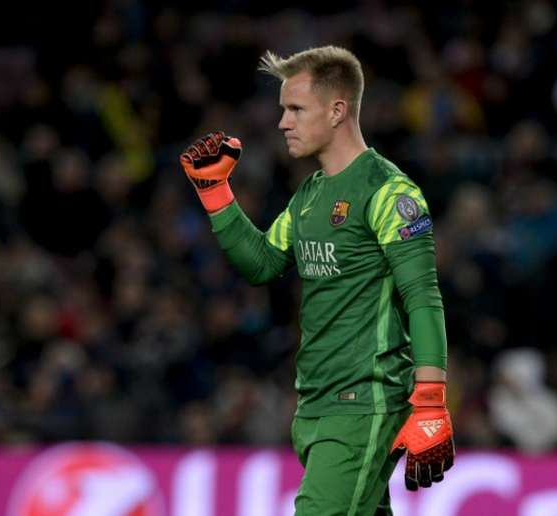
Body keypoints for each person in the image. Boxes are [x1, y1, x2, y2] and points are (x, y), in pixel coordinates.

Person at [178, 45, 454, 515]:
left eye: (296, 109)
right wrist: (218, 195)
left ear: (337, 110)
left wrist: (430, 401)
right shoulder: (310, 195)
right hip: (316, 403)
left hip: (364, 400)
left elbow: (422, 296)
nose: (283, 122)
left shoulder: (389, 192)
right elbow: (263, 263)